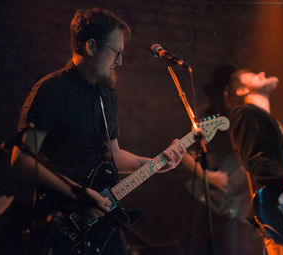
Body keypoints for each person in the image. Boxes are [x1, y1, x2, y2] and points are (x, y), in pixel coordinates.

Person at [10, 8, 186, 255]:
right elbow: (21, 159)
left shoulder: (106, 93)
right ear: (91, 47)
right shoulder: (51, 90)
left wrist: (157, 164)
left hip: (101, 220)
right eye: (116, 53)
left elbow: (113, 155)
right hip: (60, 221)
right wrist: (81, 193)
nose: (120, 61)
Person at [225, 69, 283, 255]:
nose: (262, 73)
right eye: (252, 74)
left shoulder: (273, 122)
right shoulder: (245, 114)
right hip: (279, 211)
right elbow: (255, 161)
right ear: (241, 91)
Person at [181, 66, 262, 255]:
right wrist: (210, 177)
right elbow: (182, 153)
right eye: (220, 92)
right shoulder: (205, 117)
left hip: (236, 203)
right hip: (208, 197)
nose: (224, 97)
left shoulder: (244, 119)